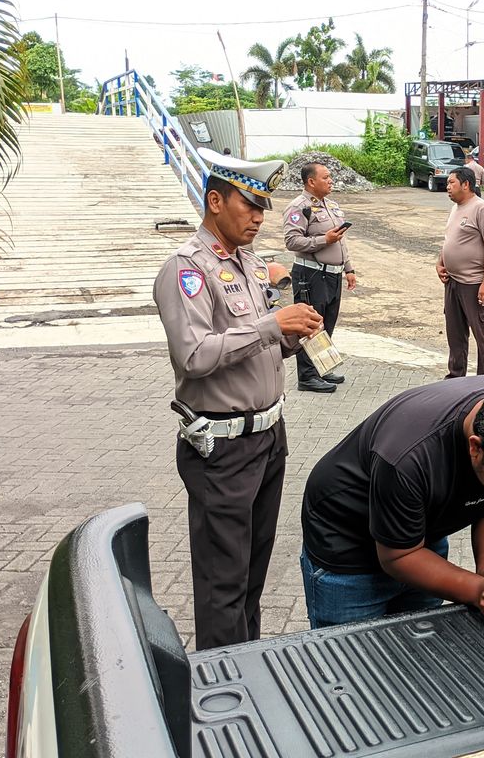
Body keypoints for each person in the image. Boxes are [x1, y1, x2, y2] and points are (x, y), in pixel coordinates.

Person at [154, 148, 323, 650]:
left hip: (268, 439)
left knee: (251, 573)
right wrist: (271, 325)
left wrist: (292, 331)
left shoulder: (247, 264)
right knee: (222, 584)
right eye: (249, 205)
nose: (258, 217)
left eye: (264, 207)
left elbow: (259, 340)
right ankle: (221, 691)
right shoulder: (187, 270)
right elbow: (195, 356)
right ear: (214, 201)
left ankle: (246, 666)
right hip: (223, 449)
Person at [300, 375, 484, 628]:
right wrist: (478, 591)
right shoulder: (408, 459)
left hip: (418, 538)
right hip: (349, 549)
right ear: (476, 448)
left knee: (419, 653)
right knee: (351, 668)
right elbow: (399, 556)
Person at [283, 162, 356, 393]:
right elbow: (292, 241)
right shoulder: (299, 207)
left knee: (327, 323)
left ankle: (320, 367)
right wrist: (324, 240)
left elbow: (340, 239)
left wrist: (349, 268)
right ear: (311, 181)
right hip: (311, 274)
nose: (331, 180)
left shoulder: (331, 206)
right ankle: (307, 377)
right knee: (310, 324)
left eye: (331, 177)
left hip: (332, 275)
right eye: (326, 177)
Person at [436, 166, 484, 378]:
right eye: (447, 183)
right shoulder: (456, 208)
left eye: (451, 183)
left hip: (475, 285)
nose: (448, 187)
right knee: (455, 336)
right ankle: (455, 380)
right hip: (453, 283)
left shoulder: (481, 209)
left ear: (466, 184)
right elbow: (450, 239)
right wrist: (440, 262)